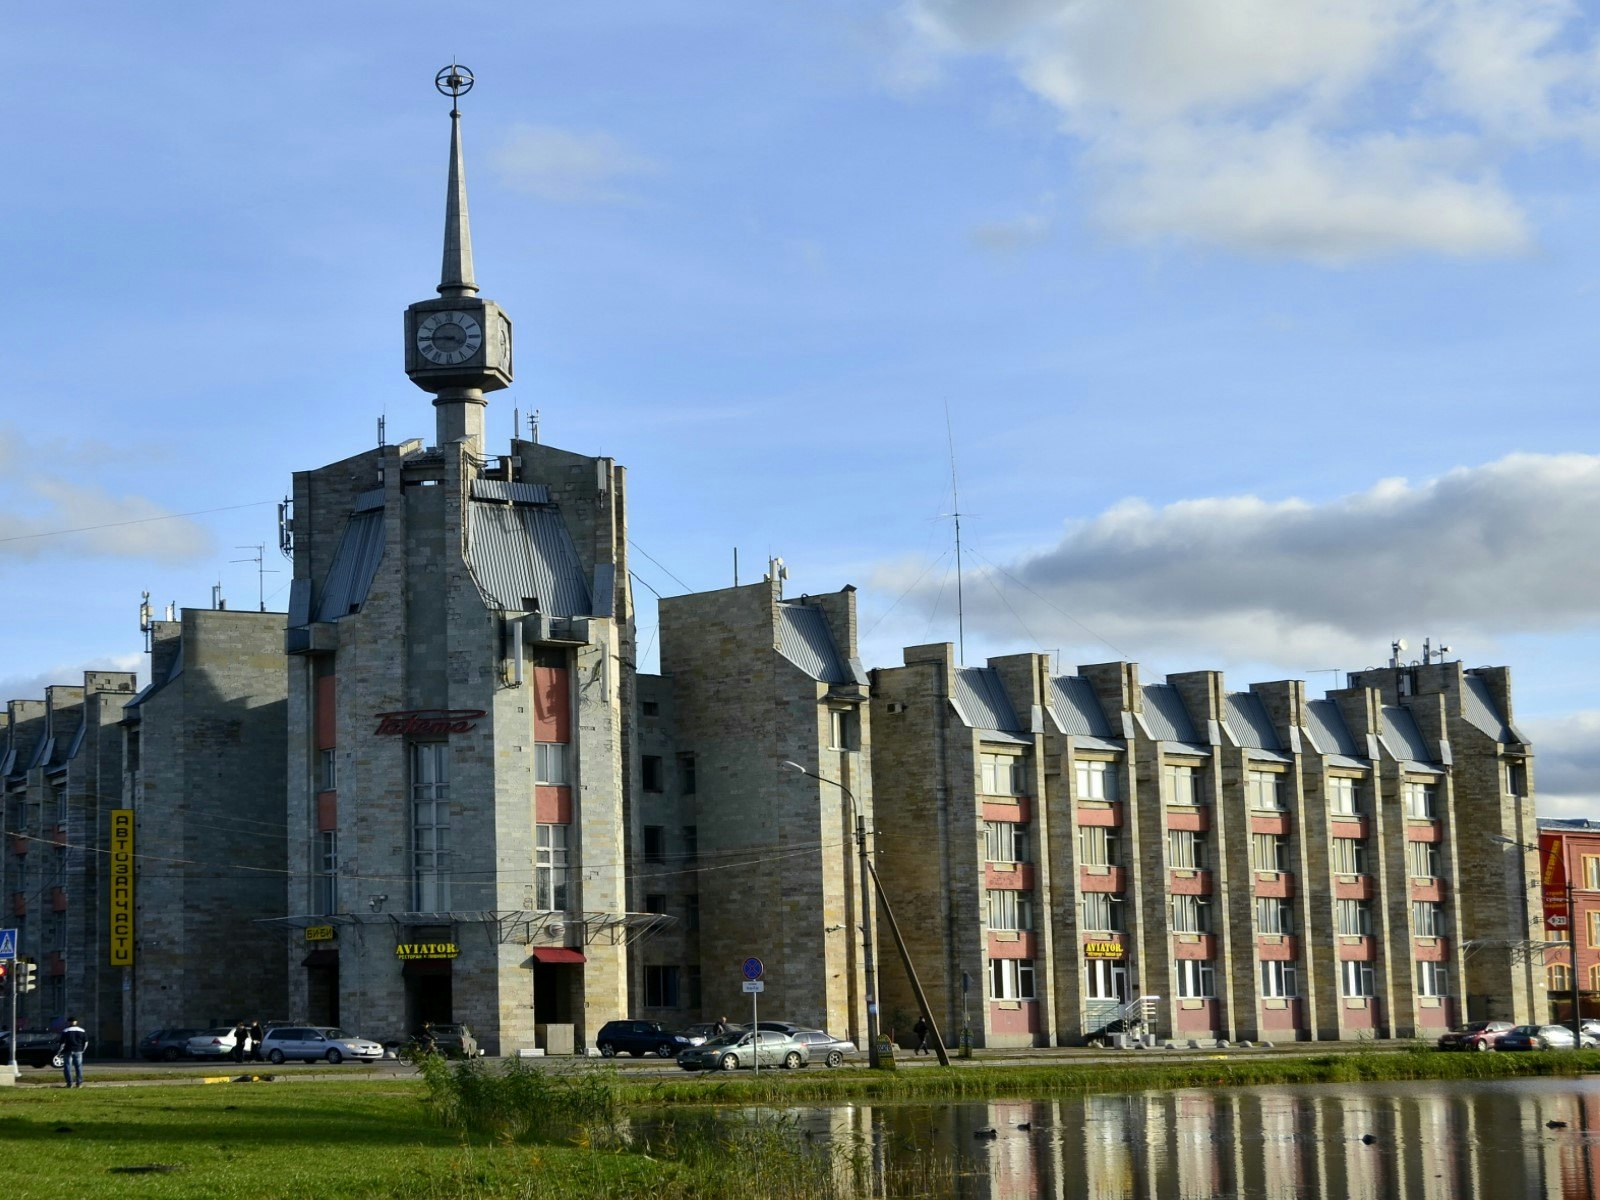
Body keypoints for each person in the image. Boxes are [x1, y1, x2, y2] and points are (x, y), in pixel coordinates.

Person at [58, 1017, 88, 1088]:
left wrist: (59, 1051)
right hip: (78, 1050)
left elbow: (62, 1043)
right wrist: (83, 1050)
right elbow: (86, 1042)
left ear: (69, 1022)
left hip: (68, 1050)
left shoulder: (65, 1030)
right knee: (78, 1067)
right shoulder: (82, 1030)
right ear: (76, 1022)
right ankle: (79, 1083)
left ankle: (69, 1083)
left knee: (67, 1067)